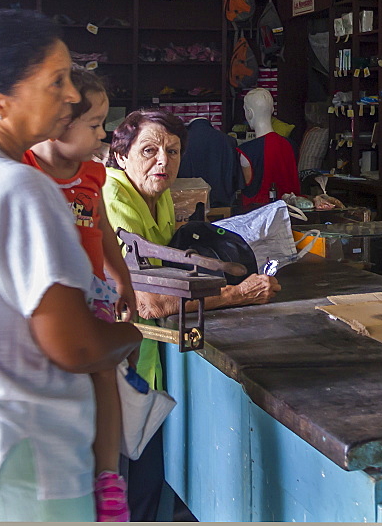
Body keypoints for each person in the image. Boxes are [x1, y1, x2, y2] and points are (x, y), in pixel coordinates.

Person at [0, 9, 142, 521]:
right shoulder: (21, 187)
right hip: (32, 468)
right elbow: (77, 345)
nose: (71, 95)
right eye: (56, 81)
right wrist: (132, 338)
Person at [102, 108, 281, 520]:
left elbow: (172, 267)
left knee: (145, 485)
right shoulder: (114, 199)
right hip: (115, 369)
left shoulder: (157, 194)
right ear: (121, 154)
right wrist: (237, 293)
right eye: (149, 150)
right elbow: (147, 301)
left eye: (173, 151)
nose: (163, 161)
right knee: (122, 491)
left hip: (143, 365)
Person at [24, 70, 137, 521]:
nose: (103, 134)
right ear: (57, 123)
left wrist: (122, 278)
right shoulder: (24, 169)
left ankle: (107, 476)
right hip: (47, 293)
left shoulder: (94, 172)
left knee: (104, 373)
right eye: (93, 125)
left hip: (93, 290)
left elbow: (103, 228)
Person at [237, 88, 300, 207]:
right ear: (272, 110)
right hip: (291, 214)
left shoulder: (246, 152)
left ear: (249, 113)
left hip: (257, 216)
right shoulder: (292, 146)